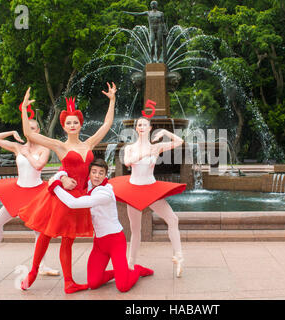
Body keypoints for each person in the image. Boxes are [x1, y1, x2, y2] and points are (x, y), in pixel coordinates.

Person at [18, 82, 117, 294]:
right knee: (46, 233)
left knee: (67, 240)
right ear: (64, 126)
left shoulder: (88, 143)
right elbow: (29, 134)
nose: (72, 125)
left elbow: (107, 125)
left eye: (75, 122)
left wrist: (112, 100)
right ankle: (33, 271)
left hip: (79, 196)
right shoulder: (60, 145)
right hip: (61, 196)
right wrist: (24, 110)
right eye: (69, 123)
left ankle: (69, 283)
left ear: (80, 124)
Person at [49, 158, 154, 292]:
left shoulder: (105, 192)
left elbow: (73, 203)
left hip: (115, 241)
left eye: (101, 173)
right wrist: (61, 177)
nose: (97, 176)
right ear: (90, 174)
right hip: (99, 243)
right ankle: (120, 272)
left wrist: (55, 187)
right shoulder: (90, 184)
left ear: (105, 175)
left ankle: (136, 270)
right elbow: (63, 171)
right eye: (94, 172)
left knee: (123, 287)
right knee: (93, 283)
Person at [109, 116, 186, 277]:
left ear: (150, 128)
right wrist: (145, 153)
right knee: (135, 229)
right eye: (139, 124)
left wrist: (165, 131)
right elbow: (128, 162)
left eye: (145, 124)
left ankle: (179, 257)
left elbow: (179, 142)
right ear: (136, 128)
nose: (141, 126)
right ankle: (130, 263)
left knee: (173, 219)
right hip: (134, 190)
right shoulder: (130, 147)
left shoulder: (156, 147)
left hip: (151, 188)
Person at [0, 120, 60, 279]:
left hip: (36, 192)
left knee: (39, 231)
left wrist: (26, 154)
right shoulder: (17, 147)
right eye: (27, 129)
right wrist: (12, 133)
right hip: (18, 191)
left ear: (38, 130)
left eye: (33, 129)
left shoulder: (44, 149)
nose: (30, 132)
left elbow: (39, 166)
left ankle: (42, 266)